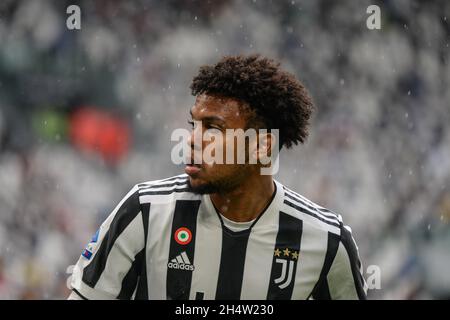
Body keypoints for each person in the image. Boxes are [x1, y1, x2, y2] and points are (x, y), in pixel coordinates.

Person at [68, 55, 367, 300]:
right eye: (194, 124)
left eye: (213, 128)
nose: (192, 140)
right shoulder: (144, 212)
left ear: (262, 144)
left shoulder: (327, 242)